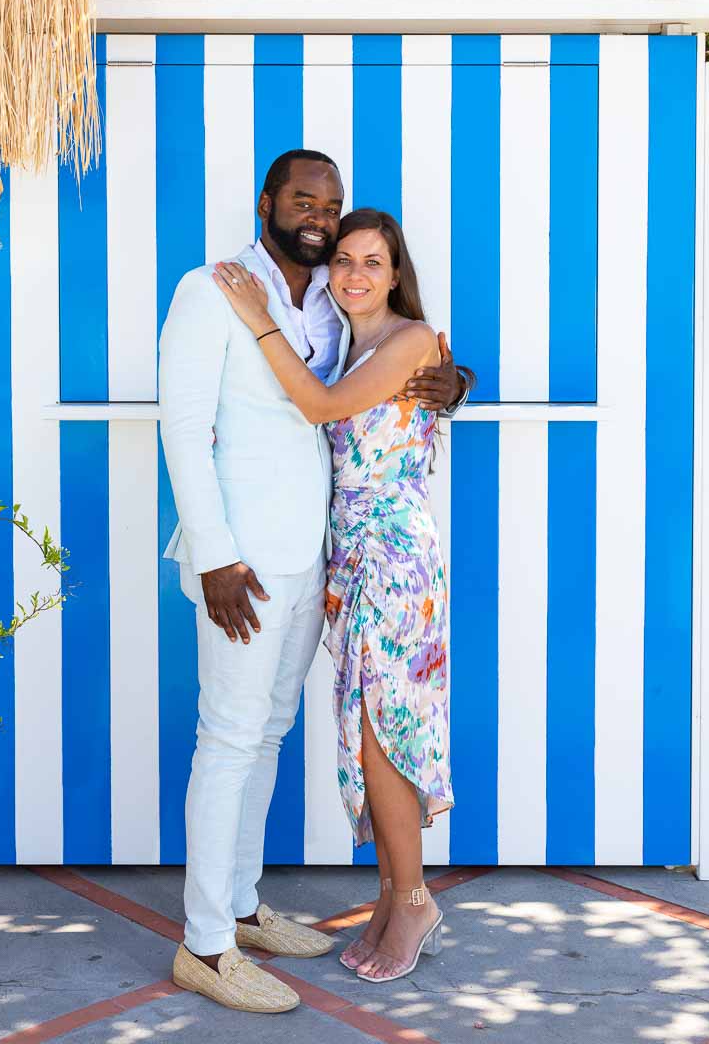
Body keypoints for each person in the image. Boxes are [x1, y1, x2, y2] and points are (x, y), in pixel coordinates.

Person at [159, 151, 468, 1013]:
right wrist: (215, 554)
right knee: (226, 739)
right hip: (244, 565)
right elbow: (183, 430)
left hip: (324, 565)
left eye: (330, 205)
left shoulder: (331, 307)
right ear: (268, 202)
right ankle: (207, 946)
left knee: (266, 736)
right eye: (304, 199)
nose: (319, 217)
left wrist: (451, 381)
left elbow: (388, 375)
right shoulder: (212, 289)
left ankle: (245, 906)